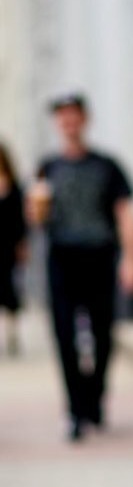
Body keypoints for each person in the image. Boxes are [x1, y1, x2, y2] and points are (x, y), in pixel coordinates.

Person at [28, 93, 133, 440]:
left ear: (84, 119)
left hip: (99, 258)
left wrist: (132, 260)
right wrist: (36, 209)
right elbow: (35, 217)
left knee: (103, 334)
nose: (69, 122)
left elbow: (125, 215)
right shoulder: (47, 166)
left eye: (73, 116)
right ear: (57, 123)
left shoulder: (107, 166)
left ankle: (94, 398)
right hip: (61, 260)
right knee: (65, 336)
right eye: (62, 117)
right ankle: (76, 412)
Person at [0, 142, 28, 355]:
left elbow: (21, 219)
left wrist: (22, 243)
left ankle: (11, 334)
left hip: (8, 246)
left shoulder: (14, 186)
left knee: (10, 290)